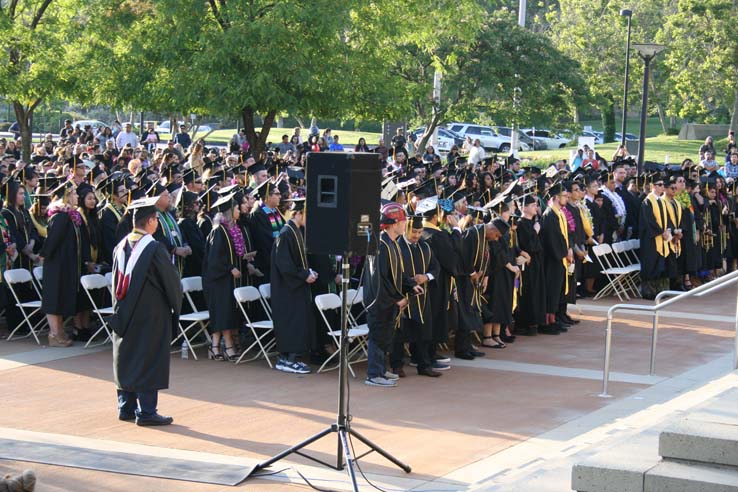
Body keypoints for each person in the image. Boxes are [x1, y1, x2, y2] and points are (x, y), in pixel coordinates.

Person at [111, 196, 182, 426]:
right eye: (156, 219)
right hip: (151, 313)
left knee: (126, 355)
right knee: (149, 357)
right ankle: (147, 411)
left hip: (124, 312)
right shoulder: (153, 248)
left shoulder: (120, 247)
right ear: (151, 220)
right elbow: (171, 282)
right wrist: (174, 308)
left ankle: (126, 407)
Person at [364, 203, 420, 387]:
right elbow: (380, 279)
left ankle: (380, 370)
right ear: (394, 223)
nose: (406, 224)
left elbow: (397, 274)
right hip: (379, 301)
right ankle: (373, 374)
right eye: (403, 221)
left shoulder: (392, 244)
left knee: (385, 336)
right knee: (378, 336)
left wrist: (411, 286)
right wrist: (397, 298)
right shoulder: (380, 245)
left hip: (388, 301)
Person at [391, 215, 442, 378]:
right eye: (414, 231)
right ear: (406, 228)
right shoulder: (395, 246)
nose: (417, 236)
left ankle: (424, 365)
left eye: (420, 232)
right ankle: (397, 366)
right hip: (402, 296)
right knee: (399, 334)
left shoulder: (425, 247)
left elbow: (436, 267)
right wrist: (410, 284)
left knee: (423, 332)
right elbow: (394, 273)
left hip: (421, 297)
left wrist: (427, 277)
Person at [271, 197, 316, 374]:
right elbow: (285, 266)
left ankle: (293, 358)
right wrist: (304, 275)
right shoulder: (285, 234)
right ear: (297, 213)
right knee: (292, 324)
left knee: (299, 323)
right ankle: (286, 359)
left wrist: (309, 272)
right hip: (286, 290)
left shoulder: (296, 231)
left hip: (296, 288)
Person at [202, 193, 245, 361]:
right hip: (217, 280)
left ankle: (215, 346)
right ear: (228, 211)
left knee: (225, 312)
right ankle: (227, 347)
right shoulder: (218, 231)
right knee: (223, 313)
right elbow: (214, 259)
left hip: (224, 279)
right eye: (236, 208)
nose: (239, 210)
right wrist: (230, 268)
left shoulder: (230, 229)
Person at [39, 181, 82, 347]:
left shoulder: (68, 216)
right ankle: (54, 334)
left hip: (63, 264)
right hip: (55, 265)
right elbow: (52, 240)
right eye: (74, 193)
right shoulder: (61, 216)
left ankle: (59, 332)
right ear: (66, 196)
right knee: (53, 299)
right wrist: (44, 255)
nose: (77, 196)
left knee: (59, 298)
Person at [540, 182, 572, 334]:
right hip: (553, 260)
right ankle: (547, 321)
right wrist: (563, 254)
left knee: (557, 291)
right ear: (555, 197)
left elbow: (563, 237)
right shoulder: (549, 215)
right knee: (551, 291)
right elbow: (552, 240)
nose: (567, 198)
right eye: (564, 196)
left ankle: (554, 319)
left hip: (560, 258)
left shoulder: (559, 213)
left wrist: (567, 251)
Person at [515, 195, 546, 335]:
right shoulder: (521, 224)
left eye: (536, 205)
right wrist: (536, 231)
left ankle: (537, 322)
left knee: (537, 292)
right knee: (528, 293)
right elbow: (529, 245)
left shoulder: (533, 222)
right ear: (524, 207)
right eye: (533, 205)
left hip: (537, 263)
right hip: (527, 265)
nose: (536, 207)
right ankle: (526, 324)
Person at [639, 175, 669, 299]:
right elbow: (649, 221)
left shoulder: (661, 201)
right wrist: (661, 232)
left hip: (661, 237)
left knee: (660, 264)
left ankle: (659, 290)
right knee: (650, 264)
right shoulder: (647, 201)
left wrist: (668, 230)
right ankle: (648, 292)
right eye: (659, 185)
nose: (662, 187)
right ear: (653, 186)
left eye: (663, 184)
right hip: (650, 239)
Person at [249, 180, 284, 283]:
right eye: (277, 194)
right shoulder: (258, 214)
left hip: (278, 260)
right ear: (268, 196)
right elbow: (264, 240)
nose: (280, 196)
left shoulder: (275, 211)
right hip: (267, 263)